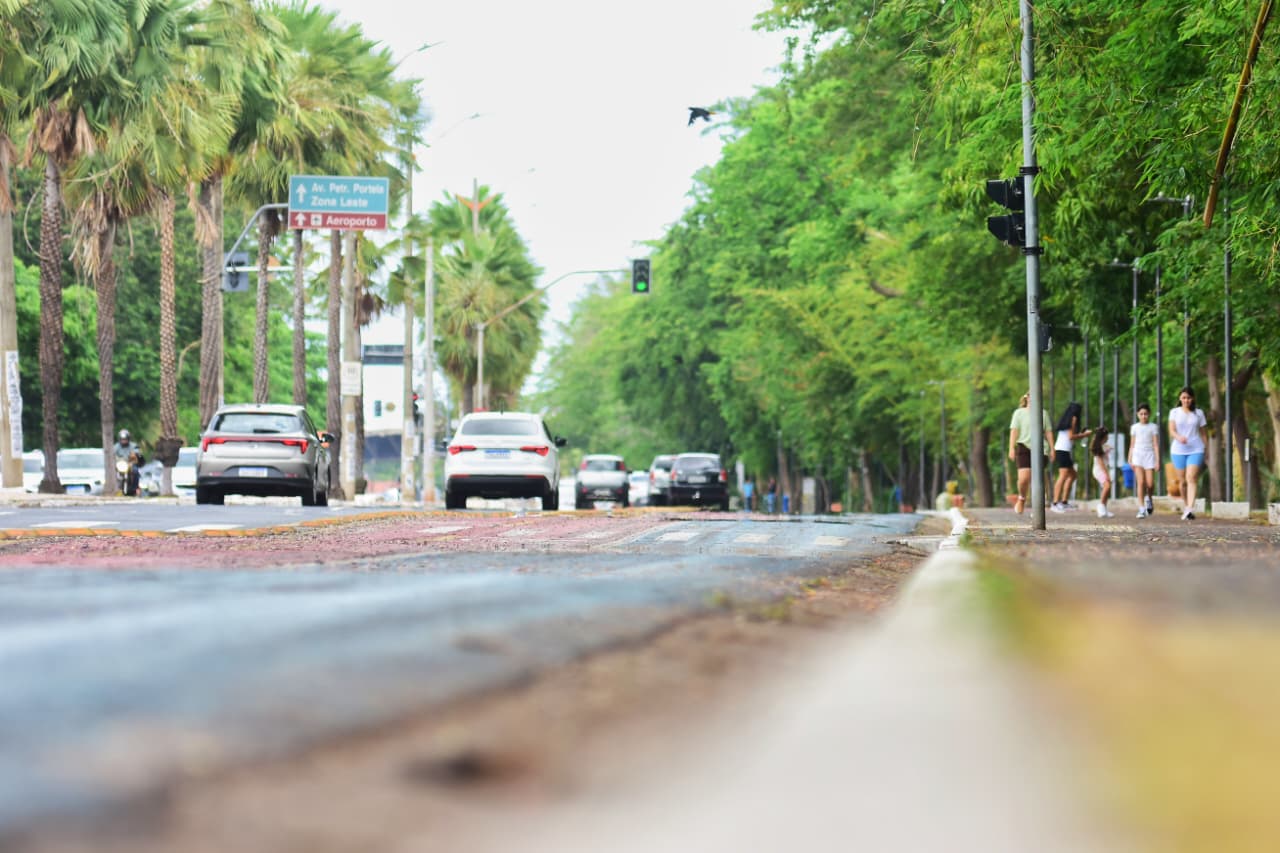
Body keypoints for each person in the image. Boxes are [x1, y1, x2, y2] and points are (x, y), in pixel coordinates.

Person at [1008, 391, 1052, 514]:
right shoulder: (1019, 413)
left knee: (1038, 478)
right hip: (1023, 447)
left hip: (1040, 448)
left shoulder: (1043, 413)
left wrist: (1052, 449)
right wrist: (1011, 447)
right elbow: (1014, 431)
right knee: (1023, 478)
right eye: (1030, 395)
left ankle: (1037, 508)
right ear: (1026, 397)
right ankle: (1022, 498)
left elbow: (1048, 432)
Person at [1168, 386, 1208, 521]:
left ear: (1193, 398)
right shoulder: (1174, 412)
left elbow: (1203, 433)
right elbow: (1172, 430)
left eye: (1189, 398)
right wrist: (1179, 437)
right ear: (1180, 398)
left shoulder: (1199, 413)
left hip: (1196, 449)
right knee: (1182, 481)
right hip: (1178, 450)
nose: (1186, 400)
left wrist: (1206, 449)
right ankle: (1186, 506)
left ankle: (1190, 507)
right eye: (1184, 397)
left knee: (1191, 477)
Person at [1051, 402, 1092, 513]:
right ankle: (1055, 503)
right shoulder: (1073, 418)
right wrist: (1085, 435)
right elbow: (1071, 436)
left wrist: (1081, 433)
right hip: (1062, 450)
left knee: (1073, 475)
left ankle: (1064, 501)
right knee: (1063, 476)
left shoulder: (1068, 418)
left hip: (1063, 450)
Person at [1128, 403, 1161, 518]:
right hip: (1138, 455)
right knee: (1141, 482)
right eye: (1141, 414)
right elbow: (1132, 444)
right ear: (1137, 415)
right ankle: (1141, 508)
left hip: (1149, 455)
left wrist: (1157, 460)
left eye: (1145, 414)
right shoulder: (1134, 427)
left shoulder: (1153, 427)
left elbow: (1156, 444)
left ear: (1149, 414)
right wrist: (1130, 458)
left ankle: (1149, 498)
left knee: (1150, 483)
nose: (1143, 416)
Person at [1091, 427, 1114, 518]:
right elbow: (1101, 463)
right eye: (1107, 436)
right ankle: (1100, 506)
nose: (1108, 437)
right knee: (1107, 486)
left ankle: (1104, 508)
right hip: (1099, 470)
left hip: (1102, 470)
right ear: (1103, 437)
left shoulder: (1103, 446)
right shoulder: (1098, 448)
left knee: (1107, 487)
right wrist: (1107, 474)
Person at [113, 429, 143, 497]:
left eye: (125, 439)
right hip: (120, 464)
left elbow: (137, 452)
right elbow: (113, 455)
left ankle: (135, 488)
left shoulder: (133, 445)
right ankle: (117, 488)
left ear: (128, 439)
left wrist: (135, 455)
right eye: (122, 439)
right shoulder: (116, 446)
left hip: (130, 464)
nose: (124, 441)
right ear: (120, 439)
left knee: (135, 471)